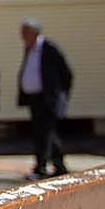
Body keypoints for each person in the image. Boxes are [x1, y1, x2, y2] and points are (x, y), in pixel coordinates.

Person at [17, 18, 73, 178]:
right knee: (44, 132)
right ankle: (58, 164)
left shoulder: (49, 48)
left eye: (25, 32)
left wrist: (60, 95)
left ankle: (40, 168)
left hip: (48, 98)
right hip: (34, 98)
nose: (22, 36)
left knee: (45, 132)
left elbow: (66, 74)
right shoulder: (29, 49)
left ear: (34, 32)